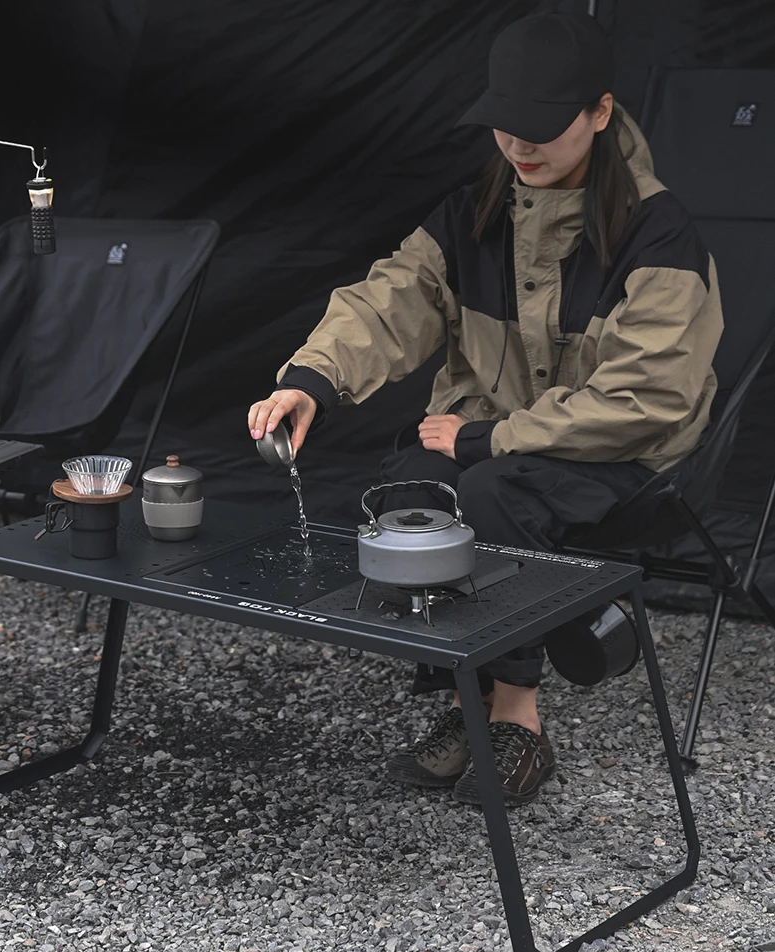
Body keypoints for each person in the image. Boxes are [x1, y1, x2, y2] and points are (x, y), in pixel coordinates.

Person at [246, 11, 723, 806]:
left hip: (627, 453)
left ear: (601, 112)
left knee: (488, 493)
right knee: (410, 490)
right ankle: (486, 685)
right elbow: (388, 301)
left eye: (542, 127)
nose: (519, 145)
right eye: (506, 125)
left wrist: (490, 435)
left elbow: (646, 397)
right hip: (498, 435)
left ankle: (514, 720)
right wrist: (310, 379)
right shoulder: (474, 210)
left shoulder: (656, 231)